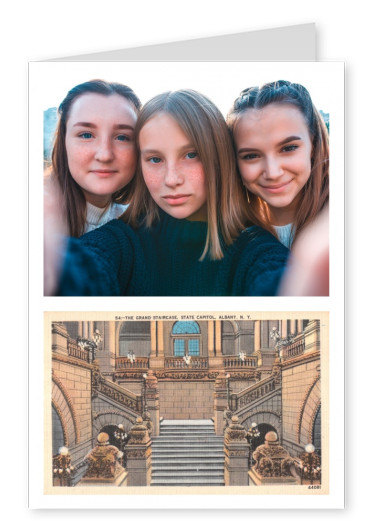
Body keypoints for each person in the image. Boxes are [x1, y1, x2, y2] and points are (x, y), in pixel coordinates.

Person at [48, 89, 289, 296]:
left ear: (218, 157)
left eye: (191, 155)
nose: (171, 179)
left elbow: (280, 284)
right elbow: (85, 267)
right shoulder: (122, 241)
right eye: (155, 159)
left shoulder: (257, 251)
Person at [227, 80, 329, 249]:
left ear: (314, 145)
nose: (273, 172)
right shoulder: (232, 237)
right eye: (251, 155)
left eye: (288, 148)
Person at [47, 79, 141, 237]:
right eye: (86, 135)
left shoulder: (139, 227)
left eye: (122, 137)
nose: (104, 155)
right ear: (64, 142)